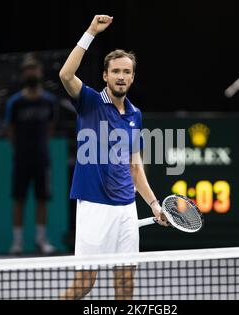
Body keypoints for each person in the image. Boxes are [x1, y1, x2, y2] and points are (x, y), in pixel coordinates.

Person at [58, 15, 169, 300]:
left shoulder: (135, 115)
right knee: (85, 283)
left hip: (126, 209)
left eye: (126, 72)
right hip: (95, 207)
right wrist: (90, 32)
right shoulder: (90, 102)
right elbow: (66, 75)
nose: (121, 76)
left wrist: (154, 204)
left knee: (125, 284)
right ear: (106, 76)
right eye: (115, 71)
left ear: (132, 77)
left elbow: (134, 165)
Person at [5, 55, 59, 255]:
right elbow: (9, 130)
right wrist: (20, 149)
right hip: (21, 159)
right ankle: (17, 242)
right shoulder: (15, 103)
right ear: (23, 74)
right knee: (19, 199)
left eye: (34, 69)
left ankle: (40, 240)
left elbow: (51, 128)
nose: (31, 73)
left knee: (42, 199)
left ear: (40, 73)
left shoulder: (49, 102)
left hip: (42, 159)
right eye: (27, 69)